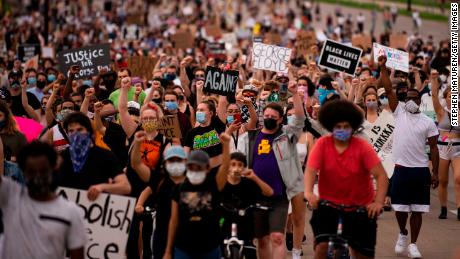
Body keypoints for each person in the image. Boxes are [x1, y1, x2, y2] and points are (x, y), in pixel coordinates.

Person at [304, 99, 388, 259]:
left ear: (353, 127)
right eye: (338, 127)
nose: (342, 130)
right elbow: (310, 170)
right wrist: (308, 193)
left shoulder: (362, 146)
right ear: (331, 127)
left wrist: (378, 202)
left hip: (360, 206)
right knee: (321, 246)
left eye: (346, 127)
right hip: (329, 205)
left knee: (361, 253)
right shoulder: (322, 143)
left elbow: (381, 175)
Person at [237, 81, 305, 259]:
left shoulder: (286, 136)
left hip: (279, 194)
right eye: (266, 115)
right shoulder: (251, 137)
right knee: (262, 239)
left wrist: (295, 95)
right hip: (256, 195)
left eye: (273, 116)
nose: (268, 118)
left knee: (277, 237)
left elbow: (299, 120)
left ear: (280, 119)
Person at [380, 56, 439, 258]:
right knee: (400, 208)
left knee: (418, 209)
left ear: (420, 100)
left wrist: (435, 172)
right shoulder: (399, 113)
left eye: (416, 97)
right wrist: (382, 68)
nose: (412, 100)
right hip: (401, 168)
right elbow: (388, 89)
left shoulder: (427, 122)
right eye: (409, 97)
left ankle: (413, 244)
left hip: (421, 170)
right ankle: (402, 233)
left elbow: (434, 148)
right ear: (405, 100)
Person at [0, 140, 86, 259]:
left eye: (43, 171)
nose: (37, 177)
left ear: (53, 168)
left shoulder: (71, 213)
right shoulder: (10, 196)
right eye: (32, 172)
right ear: (23, 172)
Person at [163, 133, 231, 259]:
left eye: (198, 168)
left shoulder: (214, 186)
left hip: (210, 247)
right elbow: (174, 221)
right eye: (191, 167)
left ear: (207, 168)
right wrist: (168, 250)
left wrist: (226, 145)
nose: (195, 170)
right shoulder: (179, 189)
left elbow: (225, 167)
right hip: (183, 248)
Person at [132, 138, 188, 259]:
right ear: (165, 163)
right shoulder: (160, 179)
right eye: (171, 160)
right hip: (161, 233)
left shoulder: (191, 180)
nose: (175, 163)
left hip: (185, 234)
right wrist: (139, 204)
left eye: (178, 160)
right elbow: (146, 188)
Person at [57, 112, 131, 200]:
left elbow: (125, 187)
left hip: (96, 207)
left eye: (80, 130)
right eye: (71, 131)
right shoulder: (61, 158)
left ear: (89, 132)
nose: (76, 134)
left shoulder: (105, 155)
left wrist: (102, 187)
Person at [219, 151, 274, 259]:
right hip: (224, 225)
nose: (236, 168)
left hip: (246, 226)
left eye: (240, 165)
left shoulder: (248, 184)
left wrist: (254, 177)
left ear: (244, 168)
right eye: (233, 164)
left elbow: (269, 192)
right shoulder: (222, 184)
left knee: (250, 252)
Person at [430, 70, 460, 220]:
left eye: (454, 96)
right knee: (443, 180)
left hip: (457, 148)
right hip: (443, 148)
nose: (452, 98)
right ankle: (443, 208)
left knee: (458, 177)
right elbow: (434, 96)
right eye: (449, 96)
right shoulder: (441, 112)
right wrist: (434, 80)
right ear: (446, 98)